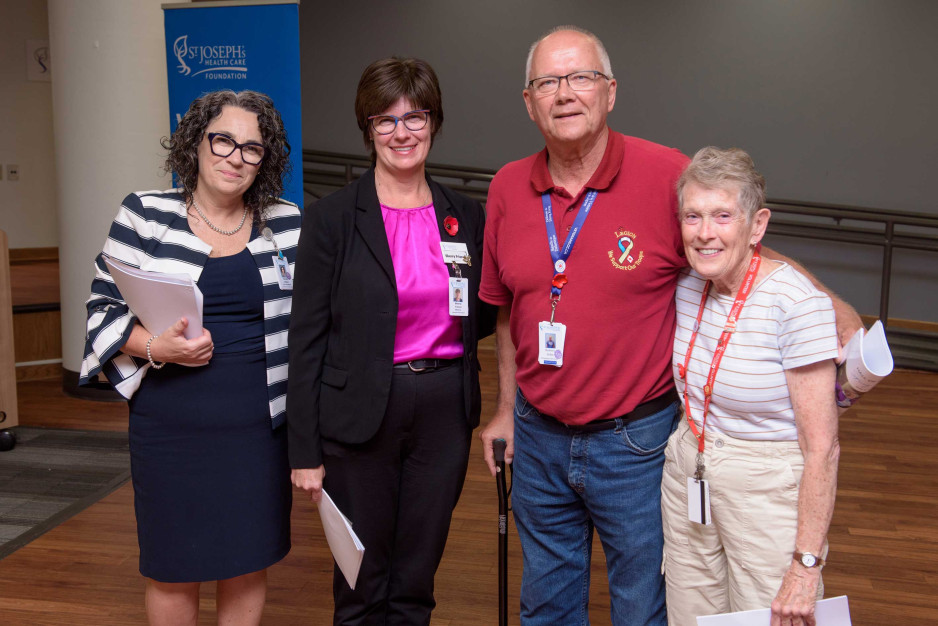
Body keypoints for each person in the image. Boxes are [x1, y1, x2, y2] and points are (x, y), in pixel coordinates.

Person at [478, 26, 861, 625]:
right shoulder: (505, 187)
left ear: (610, 93)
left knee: (642, 605)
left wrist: (824, 303)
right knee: (546, 604)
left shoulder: (665, 175)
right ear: (529, 101)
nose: (564, 93)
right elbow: (507, 310)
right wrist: (504, 408)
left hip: (635, 442)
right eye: (547, 82)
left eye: (581, 78)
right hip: (539, 437)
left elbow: (729, 245)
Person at [78, 90, 299, 626]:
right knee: (174, 566)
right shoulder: (146, 214)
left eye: (252, 148)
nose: (235, 157)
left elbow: (312, 323)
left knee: (248, 561)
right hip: (170, 425)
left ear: (264, 161)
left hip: (258, 427)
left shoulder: (286, 222)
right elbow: (101, 311)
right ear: (195, 143)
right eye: (222, 140)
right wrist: (157, 347)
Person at [287, 57, 495, 625]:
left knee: (416, 578)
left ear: (434, 122)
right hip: (358, 415)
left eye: (415, 117)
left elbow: (480, 313)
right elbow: (305, 338)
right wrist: (303, 450)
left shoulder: (465, 217)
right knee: (361, 579)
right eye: (385, 119)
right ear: (367, 128)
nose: (402, 132)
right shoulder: (332, 219)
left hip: (442, 412)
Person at [662, 147, 840, 626]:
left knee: (770, 617)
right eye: (692, 216)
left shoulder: (796, 305)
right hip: (688, 476)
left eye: (723, 216)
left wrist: (806, 565)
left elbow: (821, 448)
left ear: (757, 225)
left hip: (766, 491)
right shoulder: (686, 286)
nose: (704, 233)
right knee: (689, 616)